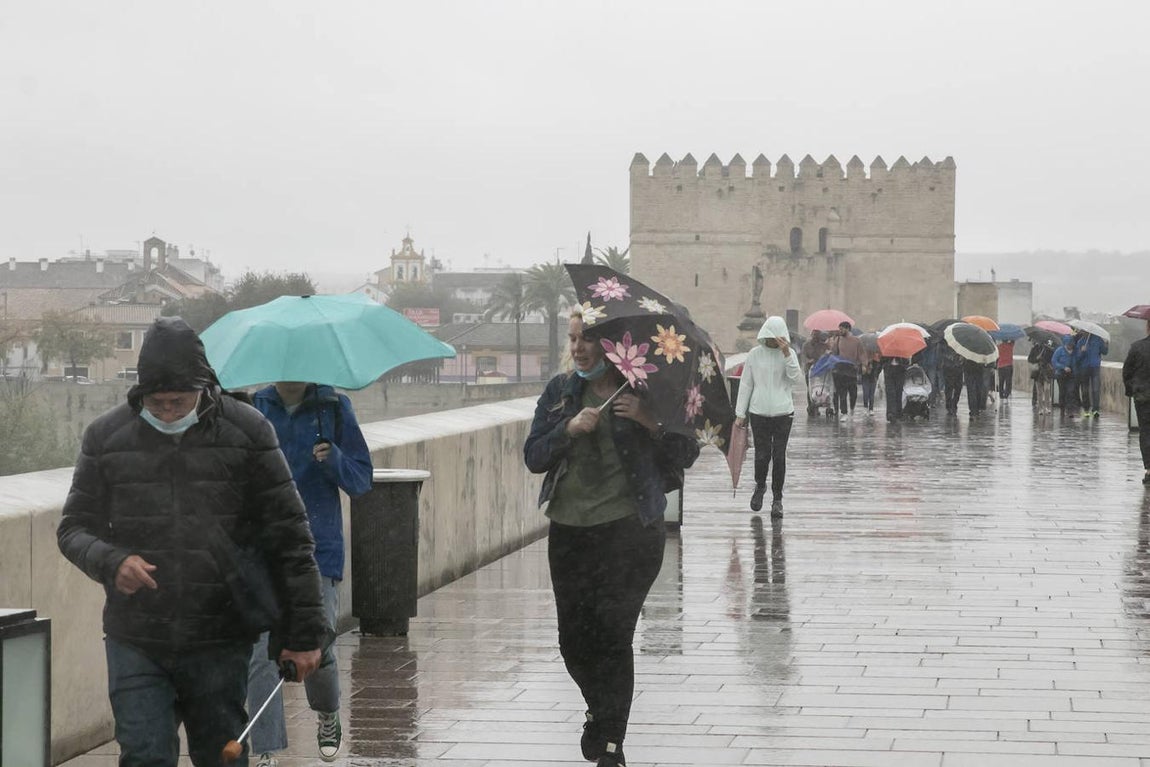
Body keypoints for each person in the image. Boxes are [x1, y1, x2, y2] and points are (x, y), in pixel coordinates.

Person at [57, 317, 328, 767]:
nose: (165, 412)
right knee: (144, 754)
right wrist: (111, 561)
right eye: (155, 403)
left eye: (177, 402)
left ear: (204, 388)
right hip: (136, 636)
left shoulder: (249, 432)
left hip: (219, 637)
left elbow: (291, 538)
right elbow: (73, 529)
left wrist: (304, 635)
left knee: (220, 755)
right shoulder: (106, 437)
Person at [524, 309, 700, 767]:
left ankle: (610, 744)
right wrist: (567, 429)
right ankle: (601, 713)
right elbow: (533, 456)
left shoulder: (645, 391)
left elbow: (686, 452)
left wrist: (649, 421)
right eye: (573, 339)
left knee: (613, 635)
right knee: (574, 641)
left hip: (631, 531)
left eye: (587, 339)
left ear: (612, 345)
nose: (578, 348)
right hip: (570, 530)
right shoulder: (561, 393)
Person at [246, 382, 373, 766]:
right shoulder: (256, 409)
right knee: (261, 653)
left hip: (319, 546)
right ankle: (266, 749)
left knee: (320, 644)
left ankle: (327, 711)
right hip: (265, 548)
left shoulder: (334, 407)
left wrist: (334, 459)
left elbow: (361, 480)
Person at [735, 316, 802, 515]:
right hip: (759, 412)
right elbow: (746, 383)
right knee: (762, 454)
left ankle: (777, 499)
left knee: (779, 456)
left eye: (779, 338)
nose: (775, 341)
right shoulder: (755, 355)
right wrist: (740, 412)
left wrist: (787, 354)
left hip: (783, 412)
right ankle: (760, 485)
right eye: (772, 338)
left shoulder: (788, 354)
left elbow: (795, 378)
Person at [1122, 318, 1150, 484]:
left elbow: (1127, 372)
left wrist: (1131, 389)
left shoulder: (1137, 347)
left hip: (1143, 397)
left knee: (1146, 432)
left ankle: (1149, 469)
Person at [830, 321, 865, 421]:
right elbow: (834, 353)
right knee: (842, 392)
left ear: (848, 329)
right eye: (839, 329)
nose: (840, 331)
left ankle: (852, 408)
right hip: (840, 369)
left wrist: (863, 364)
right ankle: (844, 412)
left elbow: (861, 353)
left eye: (842, 329)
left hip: (852, 369)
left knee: (853, 392)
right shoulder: (837, 340)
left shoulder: (856, 340)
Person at [1075, 330, 1109, 418]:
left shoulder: (1098, 340)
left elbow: (1104, 352)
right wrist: (1082, 351)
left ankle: (1096, 410)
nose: (1084, 332)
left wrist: (1106, 344)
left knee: (1096, 389)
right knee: (1085, 389)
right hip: (1084, 368)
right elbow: (1077, 358)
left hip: (1095, 367)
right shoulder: (1080, 342)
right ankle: (1086, 409)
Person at [802, 329, 829, 414]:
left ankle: (821, 403)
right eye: (814, 336)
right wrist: (808, 360)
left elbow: (826, 354)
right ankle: (811, 405)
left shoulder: (823, 345)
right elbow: (803, 356)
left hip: (820, 370)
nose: (815, 338)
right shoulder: (806, 345)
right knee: (810, 388)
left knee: (820, 387)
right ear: (811, 335)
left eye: (817, 336)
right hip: (809, 370)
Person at [1028, 338, 1056, 415]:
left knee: (1047, 390)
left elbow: (1052, 359)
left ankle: (1047, 407)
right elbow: (1030, 359)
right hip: (1038, 372)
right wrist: (1037, 358)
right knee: (1039, 391)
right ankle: (1040, 408)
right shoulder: (1035, 348)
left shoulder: (1049, 349)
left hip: (1046, 371)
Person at [1052, 335, 1077, 416]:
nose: (1070, 346)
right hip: (1061, 374)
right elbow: (1054, 361)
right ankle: (1062, 408)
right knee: (1062, 392)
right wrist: (1063, 367)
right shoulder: (1059, 350)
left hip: (1071, 374)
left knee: (1071, 391)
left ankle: (1070, 410)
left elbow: (1078, 359)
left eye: (1072, 345)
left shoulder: (1075, 351)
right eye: (1069, 345)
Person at [881, 355, 909, 422]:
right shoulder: (888, 349)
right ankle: (891, 413)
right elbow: (882, 359)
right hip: (889, 370)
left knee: (898, 392)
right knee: (890, 392)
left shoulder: (902, 350)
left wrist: (904, 364)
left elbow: (906, 361)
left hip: (900, 370)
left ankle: (898, 413)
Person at [941, 344, 965, 416]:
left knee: (958, 387)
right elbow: (941, 352)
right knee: (949, 387)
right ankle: (949, 405)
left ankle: (954, 404)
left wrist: (962, 357)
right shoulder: (945, 340)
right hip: (948, 367)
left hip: (958, 367)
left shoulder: (961, 340)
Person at [860, 348, 882, 416]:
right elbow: (860, 369)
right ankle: (865, 407)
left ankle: (871, 409)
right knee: (866, 393)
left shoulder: (876, 359)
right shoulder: (863, 358)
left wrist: (876, 374)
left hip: (873, 378)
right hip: (865, 377)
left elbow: (879, 368)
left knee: (871, 394)